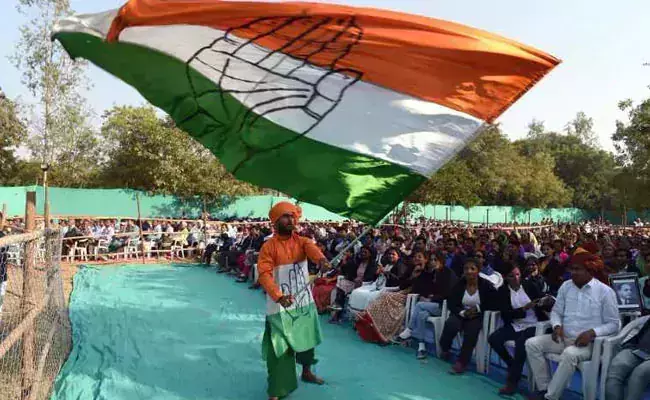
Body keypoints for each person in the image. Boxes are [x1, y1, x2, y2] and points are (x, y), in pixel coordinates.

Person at [256, 202, 331, 400]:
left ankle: (306, 372)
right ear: (275, 221)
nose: (290, 220)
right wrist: (279, 296)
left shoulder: (303, 241)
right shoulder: (268, 247)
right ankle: (277, 389)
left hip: (303, 302)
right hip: (279, 305)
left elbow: (313, 251)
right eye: (285, 216)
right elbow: (264, 274)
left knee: (307, 338)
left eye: (292, 216)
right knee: (279, 348)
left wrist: (322, 260)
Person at [525, 248, 620, 400]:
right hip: (563, 338)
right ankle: (544, 388)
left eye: (577, 269)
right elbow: (556, 312)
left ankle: (550, 397)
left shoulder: (605, 292)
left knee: (569, 354)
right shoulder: (566, 286)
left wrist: (592, 333)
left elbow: (614, 324)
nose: (573, 273)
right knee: (531, 344)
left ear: (590, 271)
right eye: (572, 269)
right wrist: (556, 326)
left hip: (589, 345)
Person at [488, 263, 553, 395]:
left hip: (535, 325)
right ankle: (511, 364)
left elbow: (542, 300)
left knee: (521, 344)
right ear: (506, 278)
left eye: (518, 275)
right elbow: (506, 314)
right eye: (512, 276)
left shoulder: (529, 286)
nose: (516, 278)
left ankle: (512, 381)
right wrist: (524, 309)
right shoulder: (503, 291)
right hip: (515, 325)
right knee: (494, 339)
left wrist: (545, 302)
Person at [439, 258, 498, 374]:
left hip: (476, 315)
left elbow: (494, 302)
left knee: (471, 331)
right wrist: (462, 312)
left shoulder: (486, 285)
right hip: (461, 312)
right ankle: (445, 348)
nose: (469, 271)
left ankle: (462, 362)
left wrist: (478, 309)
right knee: (451, 324)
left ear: (478, 271)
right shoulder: (459, 284)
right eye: (466, 269)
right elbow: (451, 302)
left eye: (472, 268)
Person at [398, 253, 458, 359]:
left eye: (436, 260)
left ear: (442, 261)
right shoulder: (433, 273)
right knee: (422, 315)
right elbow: (423, 289)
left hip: (444, 307)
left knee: (419, 305)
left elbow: (447, 294)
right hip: (432, 305)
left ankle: (410, 329)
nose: (433, 262)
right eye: (431, 260)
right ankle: (421, 347)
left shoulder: (448, 273)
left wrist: (431, 298)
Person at [605, 317, 650, 400]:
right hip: (640, 350)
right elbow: (640, 336)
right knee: (617, 366)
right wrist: (629, 347)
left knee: (639, 372)